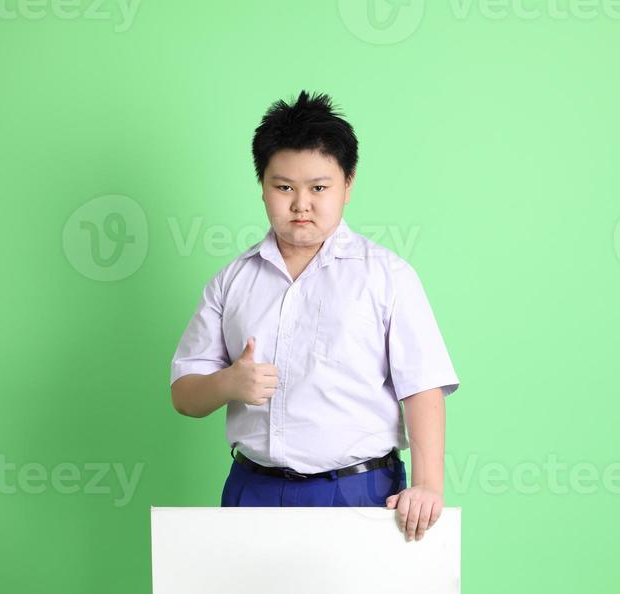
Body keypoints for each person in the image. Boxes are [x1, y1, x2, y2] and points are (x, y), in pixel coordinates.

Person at [170, 90, 460, 541]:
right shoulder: (232, 281)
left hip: (358, 489)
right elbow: (185, 395)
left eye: (319, 188)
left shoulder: (386, 276)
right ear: (262, 186)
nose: (301, 204)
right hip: (253, 488)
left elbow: (422, 387)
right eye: (283, 187)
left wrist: (427, 484)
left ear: (348, 184)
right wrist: (229, 383)